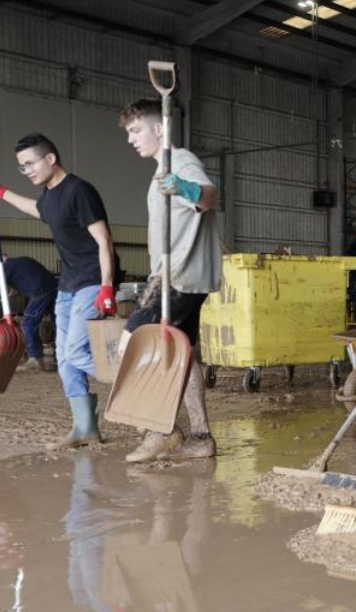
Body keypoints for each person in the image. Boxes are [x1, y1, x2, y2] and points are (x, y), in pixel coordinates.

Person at [0, 133, 117, 450]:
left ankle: (132, 378)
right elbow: (38, 210)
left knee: (75, 352)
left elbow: (104, 240)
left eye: (30, 163)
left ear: (50, 159)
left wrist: (106, 285)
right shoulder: (49, 197)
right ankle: (85, 428)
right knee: (64, 358)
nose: (27, 170)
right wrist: (2, 192)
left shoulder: (79, 191)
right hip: (67, 286)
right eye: (21, 167)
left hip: (90, 281)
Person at [118, 97, 223, 461]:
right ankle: (201, 436)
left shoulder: (181, 161)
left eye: (136, 130)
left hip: (178, 273)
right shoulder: (164, 167)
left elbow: (211, 196)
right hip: (185, 272)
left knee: (132, 343)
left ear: (159, 128)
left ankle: (161, 430)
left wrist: (185, 188)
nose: (131, 139)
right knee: (187, 354)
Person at [0, 253, 58, 371]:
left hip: (40, 293)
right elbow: (28, 276)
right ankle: (62, 356)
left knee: (28, 324)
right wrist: (15, 289)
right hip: (56, 290)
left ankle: (36, 359)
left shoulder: (3, 268)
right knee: (59, 324)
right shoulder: (24, 259)